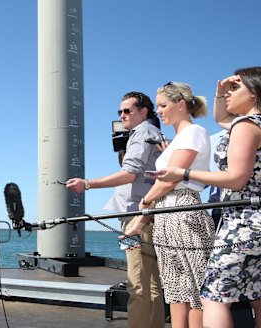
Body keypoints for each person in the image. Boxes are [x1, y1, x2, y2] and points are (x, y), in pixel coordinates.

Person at [156, 67, 261, 328]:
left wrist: (184, 172)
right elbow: (221, 117)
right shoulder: (251, 123)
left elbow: (237, 178)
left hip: (243, 224)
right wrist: (220, 94)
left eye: (235, 88)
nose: (227, 95)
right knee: (257, 295)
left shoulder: (246, 125)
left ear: (255, 92)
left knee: (213, 296)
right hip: (255, 223)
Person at [65, 92, 165, 328]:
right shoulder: (153, 132)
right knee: (152, 283)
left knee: (137, 282)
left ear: (144, 112)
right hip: (148, 214)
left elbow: (129, 173)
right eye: (120, 111)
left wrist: (87, 184)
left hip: (135, 217)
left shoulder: (142, 133)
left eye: (128, 110)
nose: (122, 115)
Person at [125, 82, 215, 328]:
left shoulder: (193, 133)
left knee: (194, 289)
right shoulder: (178, 139)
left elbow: (169, 181)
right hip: (167, 213)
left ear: (181, 104)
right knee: (175, 288)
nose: (160, 111)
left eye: (164, 105)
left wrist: (142, 211)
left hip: (183, 211)